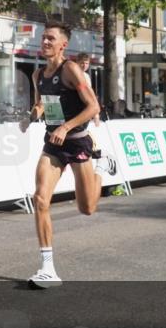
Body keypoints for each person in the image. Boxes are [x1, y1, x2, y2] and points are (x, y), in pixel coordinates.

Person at [18, 22, 104, 289]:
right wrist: (30, 118)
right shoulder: (38, 75)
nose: (44, 42)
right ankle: (48, 268)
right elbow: (43, 103)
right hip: (53, 143)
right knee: (40, 198)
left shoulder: (71, 69)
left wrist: (66, 127)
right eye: (43, 38)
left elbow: (93, 107)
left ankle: (101, 169)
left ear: (62, 45)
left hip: (77, 141)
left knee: (86, 208)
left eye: (50, 39)